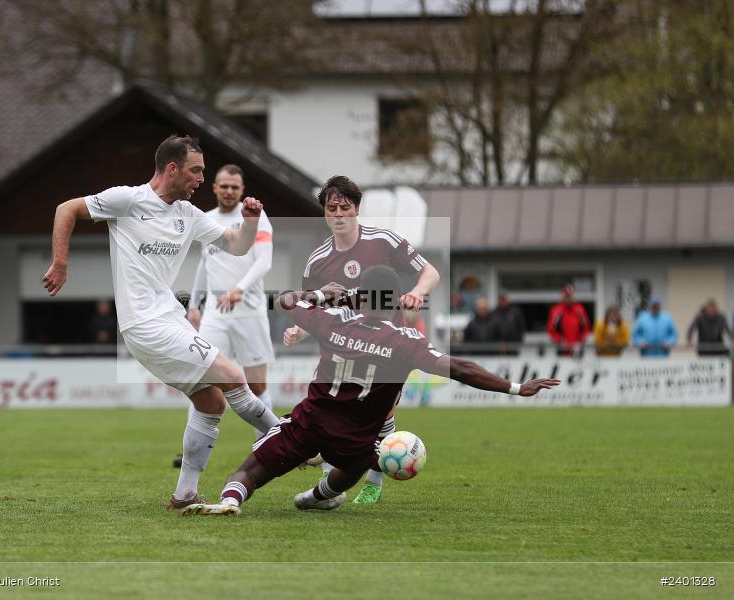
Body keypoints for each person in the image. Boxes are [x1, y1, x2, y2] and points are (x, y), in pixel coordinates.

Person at [179, 266, 560, 517]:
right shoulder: (407, 341)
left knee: (252, 470)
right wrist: (515, 387)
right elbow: (460, 368)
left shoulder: (333, 320)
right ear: (394, 301)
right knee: (354, 467)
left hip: (310, 421)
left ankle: (230, 500)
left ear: (361, 297)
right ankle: (315, 498)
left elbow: (287, 301)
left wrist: (323, 293)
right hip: (356, 438)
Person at [42, 135, 280, 510]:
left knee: (212, 402)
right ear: (172, 168)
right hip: (144, 324)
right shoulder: (128, 200)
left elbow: (237, 245)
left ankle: (184, 494)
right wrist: (60, 262)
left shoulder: (188, 214)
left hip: (171, 318)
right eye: (196, 170)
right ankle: (287, 436)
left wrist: (249, 223)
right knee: (233, 375)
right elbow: (66, 209)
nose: (202, 179)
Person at [283, 175, 441, 505]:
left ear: (356, 209)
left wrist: (416, 292)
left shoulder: (382, 241)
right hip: (340, 349)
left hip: (386, 346)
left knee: (380, 414)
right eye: (332, 208)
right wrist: (300, 330)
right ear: (324, 213)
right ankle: (329, 483)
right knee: (329, 413)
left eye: (345, 207)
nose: (339, 213)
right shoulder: (318, 260)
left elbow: (430, 272)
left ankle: (374, 478)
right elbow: (310, 304)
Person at [187, 164, 275, 438]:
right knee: (204, 381)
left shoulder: (255, 217)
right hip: (215, 313)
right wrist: (194, 305)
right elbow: (205, 263)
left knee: (257, 384)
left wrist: (238, 289)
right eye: (223, 186)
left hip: (249, 309)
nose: (228, 191)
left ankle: (267, 442)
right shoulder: (207, 219)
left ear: (242, 190)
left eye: (234, 187)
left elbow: (264, 262)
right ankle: (194, 444)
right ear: (214, 187)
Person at [547, 284, 590, 357]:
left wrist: (580, 341)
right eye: (566, 296)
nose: (568, 299)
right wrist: (560, 341)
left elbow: (585, 328)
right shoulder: (556, 310)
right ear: (562, 297)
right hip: (562, 349)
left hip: (577, 348)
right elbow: (551, 330)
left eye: (570, 296)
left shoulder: (580, 309)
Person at [493, 290, 525, 356]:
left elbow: (521, 328)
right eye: (500, 299)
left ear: (507, 300)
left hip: (513, 346)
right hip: (497, 348)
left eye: (504, 299)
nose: (502, 301)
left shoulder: (515, 312)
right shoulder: (493, 313)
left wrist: (518, 342)